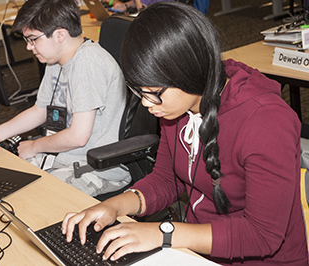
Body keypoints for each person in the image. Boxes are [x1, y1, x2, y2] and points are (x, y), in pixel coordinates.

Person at [62, 2, 308, 265]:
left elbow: (262, 235)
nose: (146, 103)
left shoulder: (266, 121)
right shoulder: (175, 108)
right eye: (138, 91)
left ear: (188, 71)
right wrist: (114, 205)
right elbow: (168, 181)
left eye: (153, 92)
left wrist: (164, 234)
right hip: (195, 249)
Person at [0, 0, 130, 197]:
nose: (29, 47)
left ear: (60, 35)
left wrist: (34, 146)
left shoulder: (88, 63)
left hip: (96, 168)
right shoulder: (55, 60)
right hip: (62, 156)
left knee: (26, 199)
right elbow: (40, 110)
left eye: (33, 39)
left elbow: (78, 137)